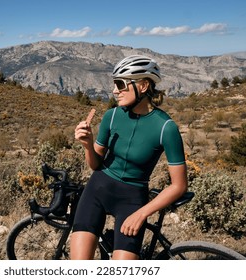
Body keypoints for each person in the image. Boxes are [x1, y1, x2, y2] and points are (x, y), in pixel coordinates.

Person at [71, 55, 188, 260]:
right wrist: (88, 146)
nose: (115, 91)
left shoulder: (166, 128)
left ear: (142, 86)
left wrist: (142, 213)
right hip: (97, 190)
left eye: (120, 84)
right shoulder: (112, 116)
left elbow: (178, 186)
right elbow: (95, 165)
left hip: (132, 201)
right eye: (114, 84)